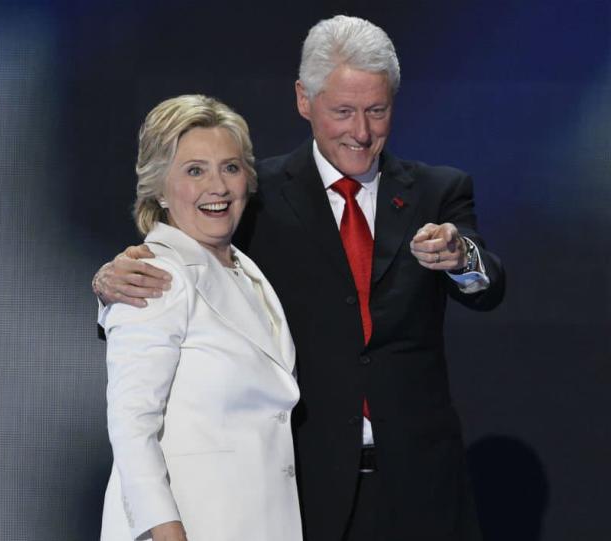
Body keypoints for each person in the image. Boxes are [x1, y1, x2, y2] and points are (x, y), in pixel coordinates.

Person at [93, 16, 505, 541]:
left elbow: (490, 283)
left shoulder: (437, 191)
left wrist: (462, 255)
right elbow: (181, 263)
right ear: (303, 100)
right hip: (305, 484)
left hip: (420, 482)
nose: (361, 131)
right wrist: (108, 286)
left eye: (377, 111)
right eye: (343, 112)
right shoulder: (252, 193)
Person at [99, 95, 303, 541]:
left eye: (230, 168)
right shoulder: (155, 275)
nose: (219, 186)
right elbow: (132, 424)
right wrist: (165, 530)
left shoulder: (248, 273)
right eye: (195, 171)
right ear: (157, 186)